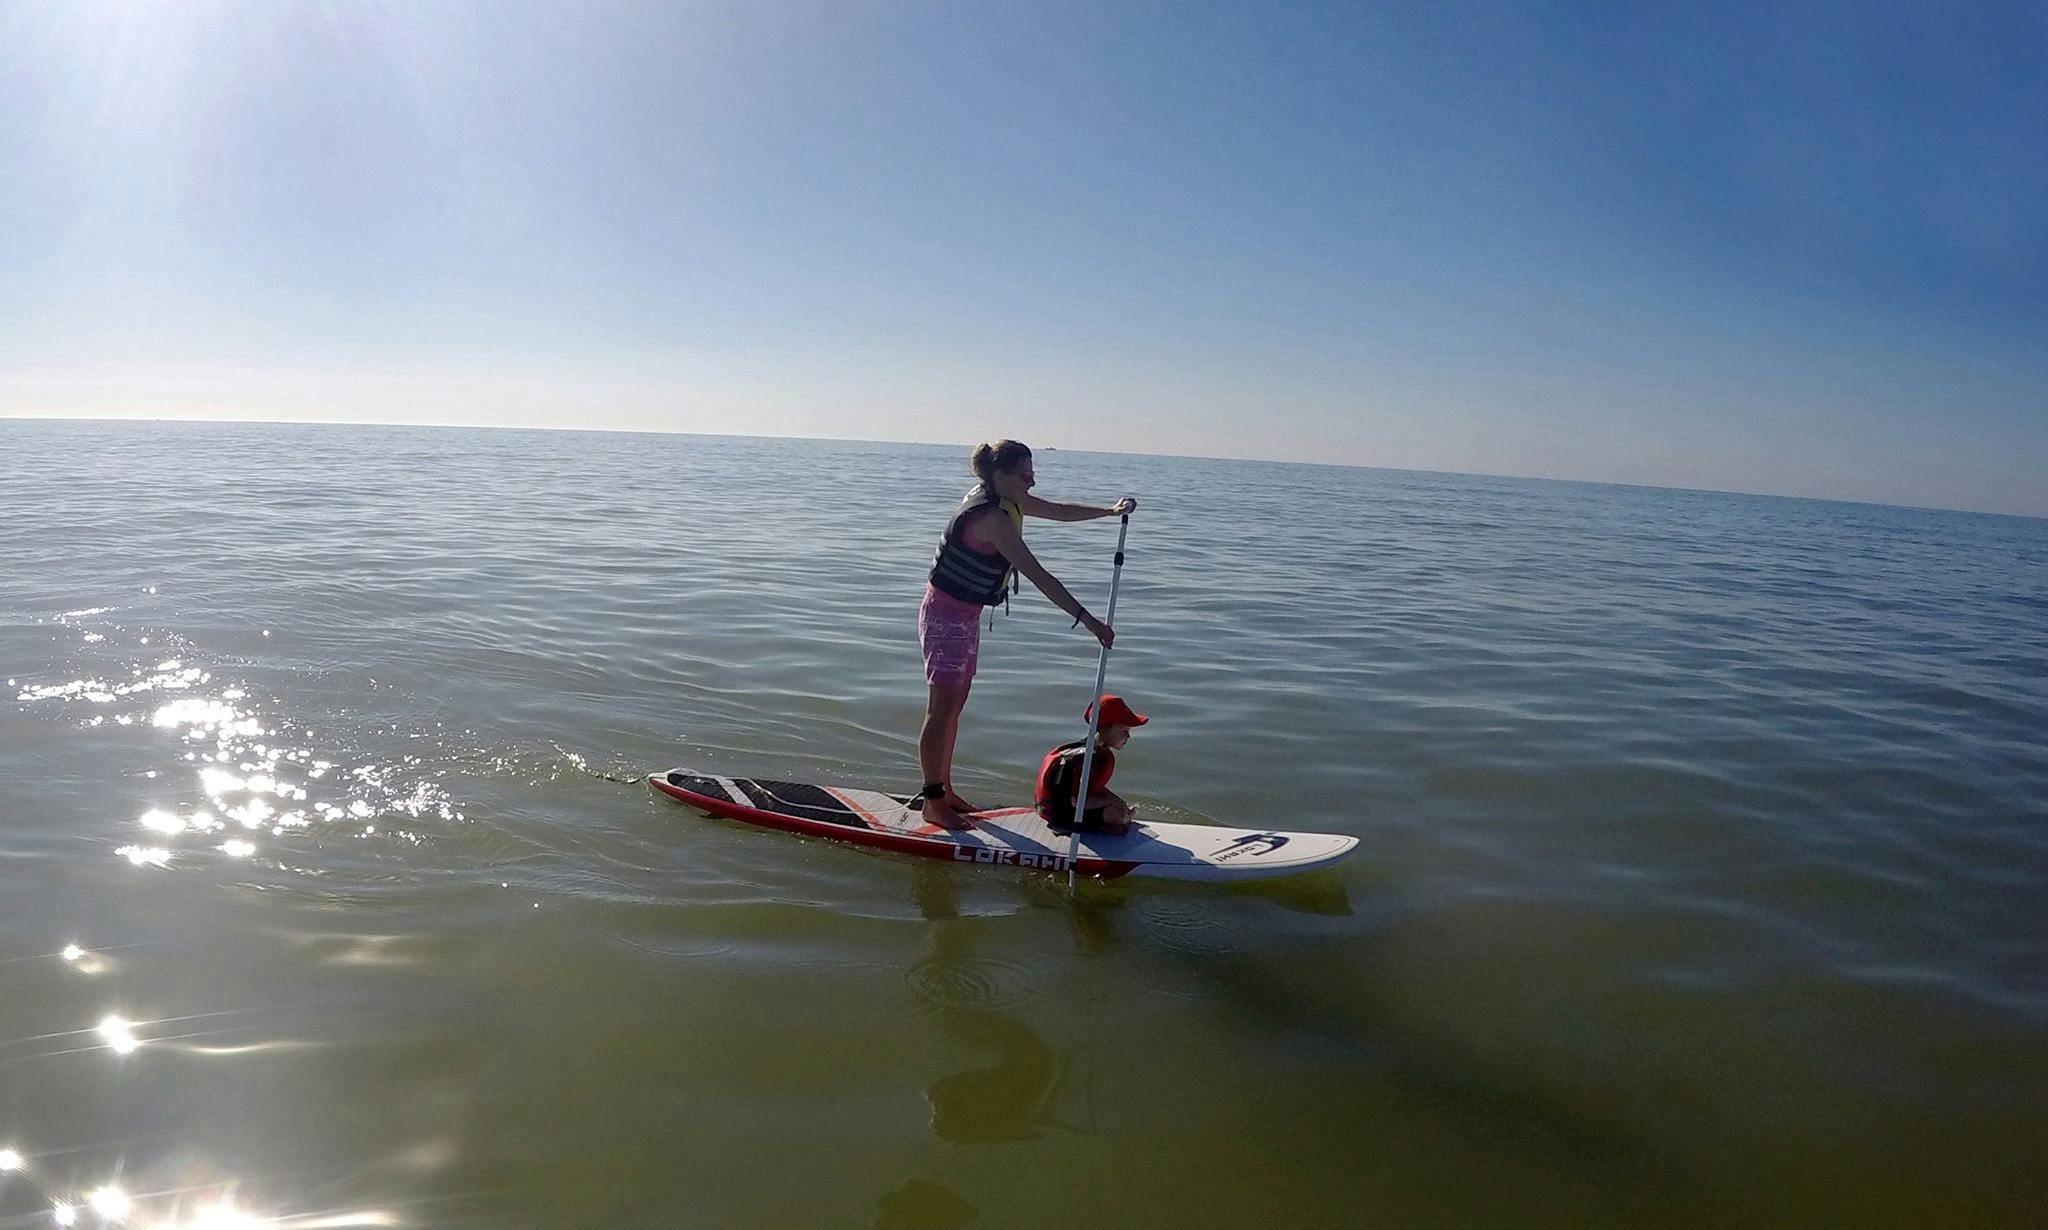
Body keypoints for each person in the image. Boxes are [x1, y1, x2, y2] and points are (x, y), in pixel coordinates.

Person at [917, 440, 1136, 830]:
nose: (1032, 482)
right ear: (998, 477)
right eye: (1025, 475)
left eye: (1032, 473)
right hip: (945, 616)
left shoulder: (1008, 499)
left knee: (955, 706)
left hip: (965, 617)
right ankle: (933, 802)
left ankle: (944, 791)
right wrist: (1089, 621)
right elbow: (1039, 576)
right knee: (942, 709)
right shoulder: (992, 518)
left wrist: (1109, 511)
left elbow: (1057, 511)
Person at [1034, 695, 1147, 836]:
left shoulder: (1099, 754)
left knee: (1119, 810)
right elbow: (1076, 800)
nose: (1128, 737)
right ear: (1105, 730)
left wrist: (1119, 802)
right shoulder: (1084, 758)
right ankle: (1104, 826)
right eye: (1124, 731)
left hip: (1074, 806)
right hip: (1060, 815)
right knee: (1116, 815)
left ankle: (1109, 820)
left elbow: (1092, 788)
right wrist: (1110, 803)